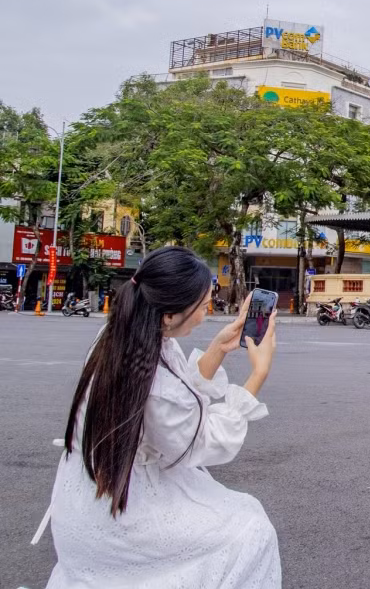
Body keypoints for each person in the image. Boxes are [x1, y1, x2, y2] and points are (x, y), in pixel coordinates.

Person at [36, 246, 281, 587]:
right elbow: (202, 442)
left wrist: (217, 348)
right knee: (251, 529)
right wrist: (258, 375)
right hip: (121, 517)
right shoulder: (157, 380)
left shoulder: (124, 336)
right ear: (168, 315)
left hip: (89, 496)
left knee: (242, 513)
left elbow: (178, 396)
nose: (207, 312)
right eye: (203, 305)